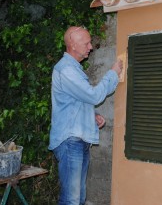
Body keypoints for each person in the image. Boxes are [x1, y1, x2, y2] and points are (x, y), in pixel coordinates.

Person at [48, 26, 123, 205]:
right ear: (73, 45)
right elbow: (93, 95)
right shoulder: (66, 69)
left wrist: (93, 116)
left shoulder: (74, 69)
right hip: (70, 141)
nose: (90, 46)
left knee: (79, 199)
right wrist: (113, 73)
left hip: (77, 140)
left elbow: (77, 101)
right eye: (86, 43)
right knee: (71, 200)